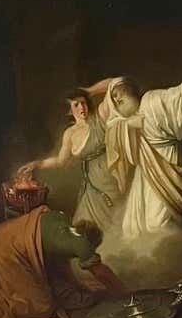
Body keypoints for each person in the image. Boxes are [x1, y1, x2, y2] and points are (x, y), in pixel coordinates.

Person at [0, 198, 125, 318]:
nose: (91, 251)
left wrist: (79, 286)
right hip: (4, 254)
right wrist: (124, 294)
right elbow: (102, 273)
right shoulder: (81, 243)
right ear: (90, 240)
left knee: (61, 291)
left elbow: (56, 267)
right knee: (41, 307)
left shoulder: (61, 221)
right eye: (93, 248)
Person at [102, 54, 182, 242]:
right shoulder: (124, 122)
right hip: (148, 170)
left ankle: (167, 257)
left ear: (131, 91)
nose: (117, 99)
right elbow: (112, 128)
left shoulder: (151, 101)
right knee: (133, 223)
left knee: (156, 223)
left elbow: (177, 94)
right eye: (115, 101)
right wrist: (129, 124)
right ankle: (145, 259)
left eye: (120, 95)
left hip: (169, 164)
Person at [15, 89, 119, 232]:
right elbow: (60, 161)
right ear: (70, 110)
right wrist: (37, 164)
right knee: (84, 227)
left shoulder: (99, 118)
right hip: (90, 186)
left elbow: (115, 84)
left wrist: (90, 90)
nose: (82, 107)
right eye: (76, 105)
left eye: (83, 102)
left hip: (110, 177)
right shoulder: (70, 133)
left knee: (116, 222)